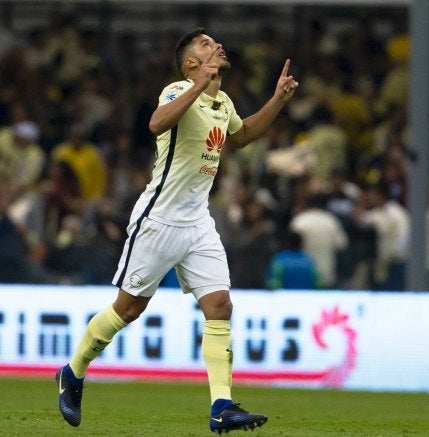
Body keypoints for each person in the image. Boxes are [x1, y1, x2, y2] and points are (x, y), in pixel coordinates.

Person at [54, 27, 299, 433]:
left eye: (214, 42)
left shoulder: (223, 102)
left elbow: (242, 137)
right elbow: (156, 124)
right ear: (190, 64)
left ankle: (221, 406)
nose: (217, 45)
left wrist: (276, 100)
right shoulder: (177, 90)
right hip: (159, 218)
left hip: (198, 221)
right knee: (128, 309)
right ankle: (73, 371)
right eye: (205, 45)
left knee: (219, 306)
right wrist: (197, 85)